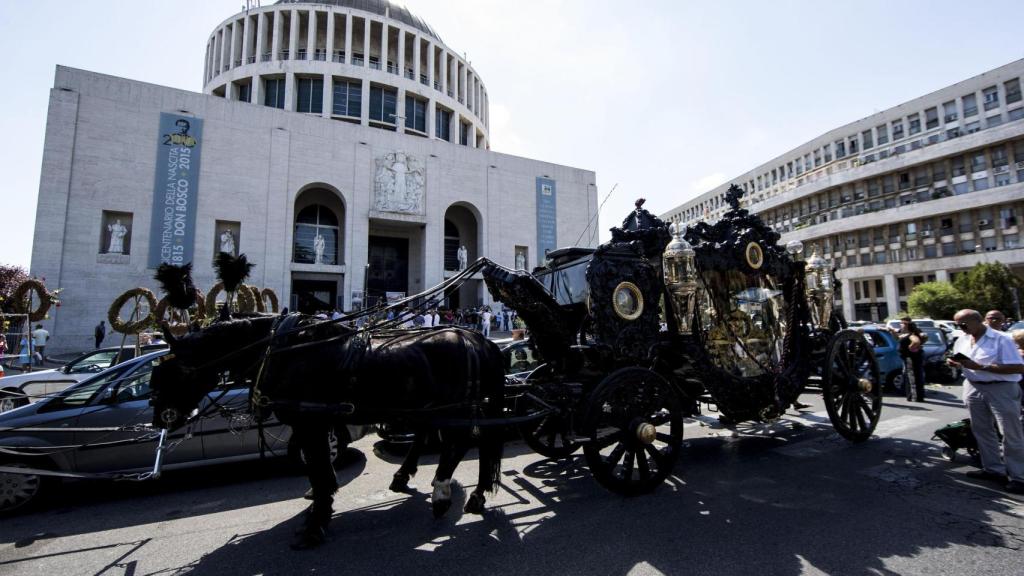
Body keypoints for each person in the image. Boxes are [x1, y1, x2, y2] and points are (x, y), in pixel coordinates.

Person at [947, 309, 1024, 494]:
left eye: (963, 324)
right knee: (981, 430)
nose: (960, 328)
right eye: (957, 325)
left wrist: (981, 366)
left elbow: (1018, 367)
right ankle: (993, 469)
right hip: (973, 386)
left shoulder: (1002, 339)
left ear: (978, 320)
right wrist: (955, 363)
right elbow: (963, 360)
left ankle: (1019, 477)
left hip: (1001, 388)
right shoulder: (962, 339)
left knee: (1010, 432)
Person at [891, 317, 927, 401]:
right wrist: (892, 331)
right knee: (909, 376)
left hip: (912, 358)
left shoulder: (912, 334)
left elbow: (916, 341)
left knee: (913, 377)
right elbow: (898, 338)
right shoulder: (905, 334)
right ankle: (911, 395)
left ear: (907, 325)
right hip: (907, 358)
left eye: (902, 323)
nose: (900, 325)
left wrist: (911, 347)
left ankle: (916, 397)